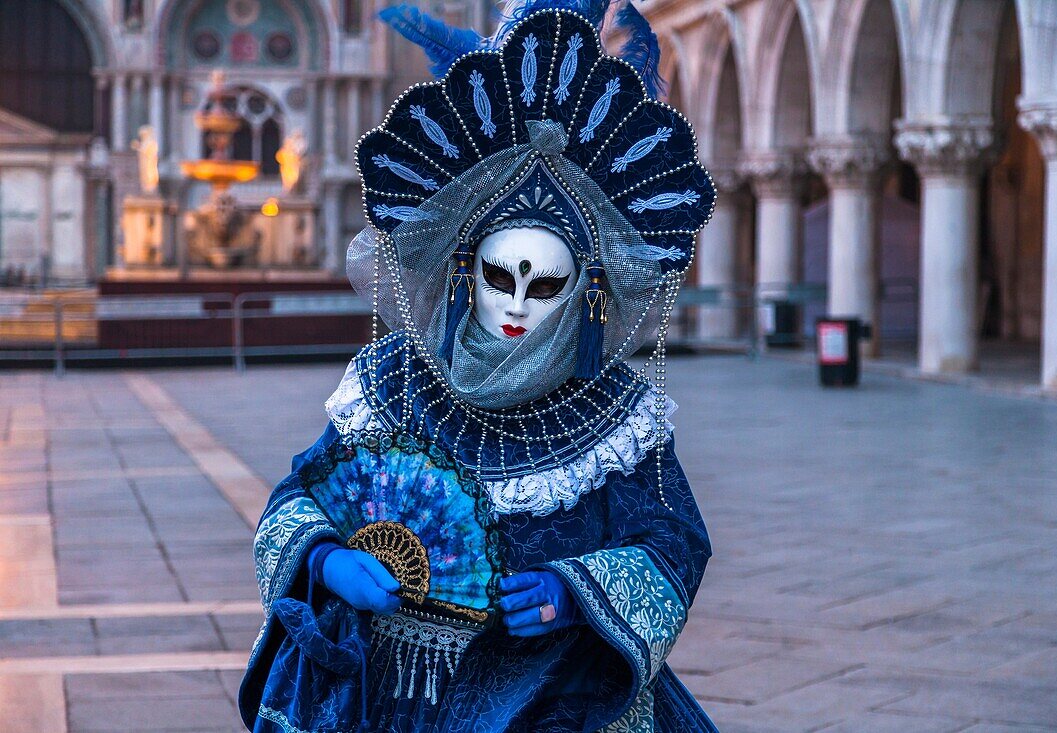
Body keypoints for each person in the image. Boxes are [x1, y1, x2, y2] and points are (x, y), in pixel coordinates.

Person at [238, 3, 719, 731]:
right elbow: (294, 499)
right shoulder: (394, 383)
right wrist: (329, 560)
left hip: (551, 695)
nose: (518, 304)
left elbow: (674, 540)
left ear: (586, 292)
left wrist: (576, 590)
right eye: (501, 277)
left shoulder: (616, 412)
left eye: (545, 284)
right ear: (467, 272)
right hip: (388, 694)